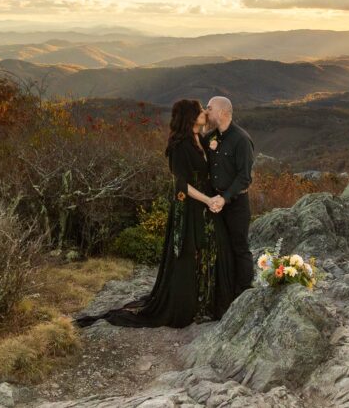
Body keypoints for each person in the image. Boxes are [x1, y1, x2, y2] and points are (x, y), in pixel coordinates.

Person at [73, 99, 236, 328]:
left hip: (208, 207)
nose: (203, 113)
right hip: (190, 207)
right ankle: (188, 305)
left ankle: (205, 302)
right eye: (199, 111)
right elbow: (181, 185)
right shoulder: (179, 145)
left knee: (210, 251)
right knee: (189, 255)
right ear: (190, 117)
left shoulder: (200, 139)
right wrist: (208, 200)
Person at [202, 96, 256, 298]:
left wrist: (224, 198)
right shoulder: (210, 137)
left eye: (209, 108)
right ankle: (224, 293)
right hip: (214, 203)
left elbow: (245, 177)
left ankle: (244, 294)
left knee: (239, 247)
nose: (206, 111)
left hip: (236, 204)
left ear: (223, 112)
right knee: (221, 248)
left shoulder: (241, 139)